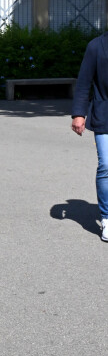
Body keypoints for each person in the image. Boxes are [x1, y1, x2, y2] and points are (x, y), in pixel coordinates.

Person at [71, 32, 108, 241]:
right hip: (104, 114)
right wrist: (78, 114)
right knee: (106, 165)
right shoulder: (96, 46)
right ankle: (106, 218)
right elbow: (84, 82)